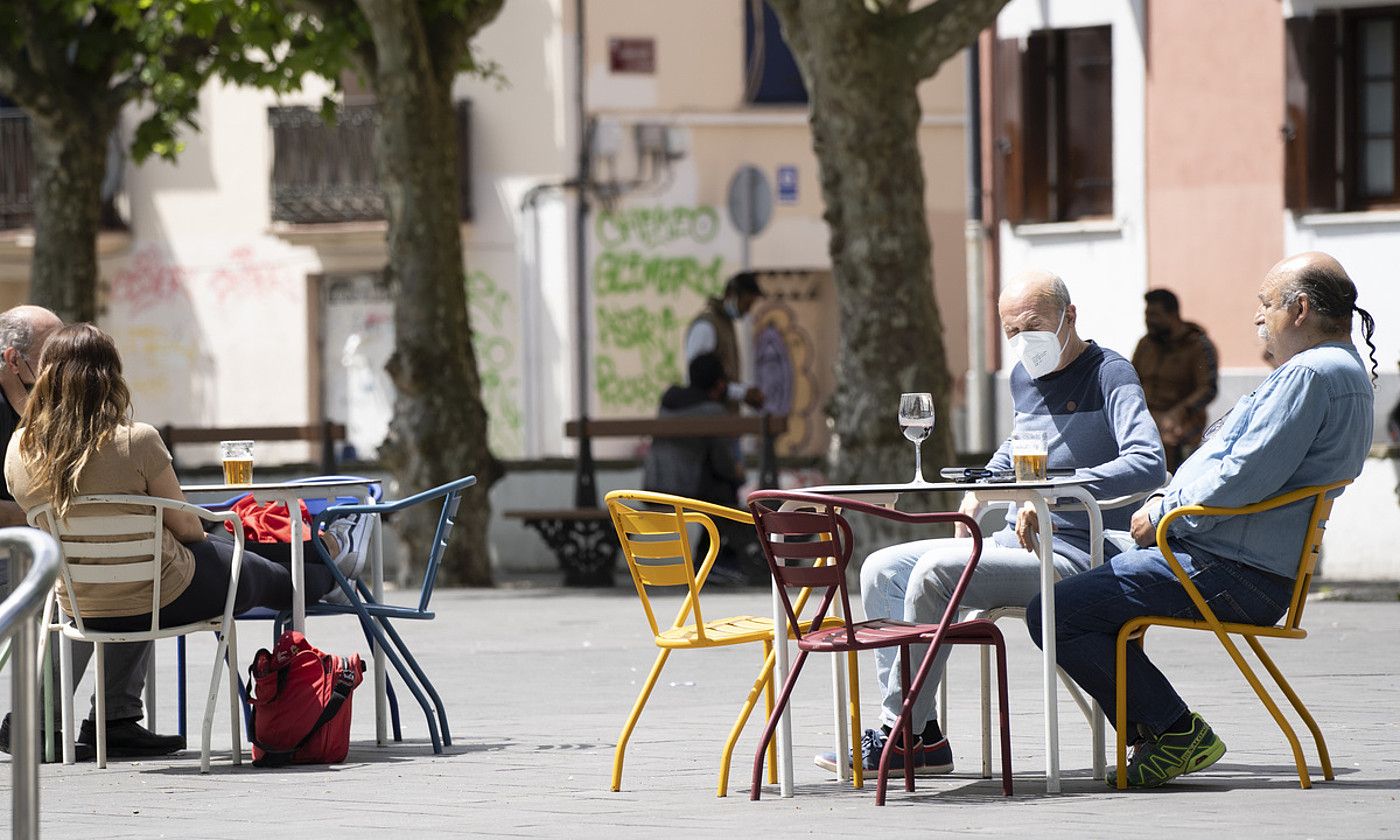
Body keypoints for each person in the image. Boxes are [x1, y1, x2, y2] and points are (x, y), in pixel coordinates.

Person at [1029, 251, 1378, 789]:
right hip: (1240, 562)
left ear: (1301, 308)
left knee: (1053, 612)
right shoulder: (1342, 370)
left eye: (1265, 305)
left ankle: (1172, 731)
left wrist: (1163, 511)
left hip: (1231, 571)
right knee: (1086, 561)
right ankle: (1152, 727)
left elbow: (1245, 471)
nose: (1257, 317)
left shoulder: (1311, 372)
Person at [819, 270, 1166, 776]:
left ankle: (900, 734)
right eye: (1012, 333)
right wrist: (980, 486)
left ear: (1070, 317)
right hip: (1016, 540)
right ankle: (927, 736)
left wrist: (1053, 495)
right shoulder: (1024, 376)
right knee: (880, 568)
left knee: (936, 572)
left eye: (1035, 325)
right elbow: (1019, 445)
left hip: (1081, 550)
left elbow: (1147, 461)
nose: (1025, 342)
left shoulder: (1110, 372)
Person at [3, 324, 369, 756]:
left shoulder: (20, 449)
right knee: (264, 574)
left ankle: (113, 721)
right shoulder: (136, 441)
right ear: (109, 378)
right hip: (163, 591)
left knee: (176, 561)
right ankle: (331, 568)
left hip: (82, 600)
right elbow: (190, 529)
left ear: (47, 377)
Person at [0, 305, 182, 762]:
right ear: (12, 360)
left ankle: (115, 718)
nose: (64, 367)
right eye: (52, 356)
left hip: (50, 544)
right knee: (81, 567)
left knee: (128, 558)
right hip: (15, 556)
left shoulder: (49, 410)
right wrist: (57, 523)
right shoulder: (28, 423)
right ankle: (35, 719)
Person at [642, 353, 759, 584]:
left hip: (653, 486)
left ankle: (708, 561)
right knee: (724, 491)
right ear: (719, 385)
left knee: (717, 490)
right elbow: (723, 463)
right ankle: (712, 561)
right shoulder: (712, 411)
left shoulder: (668, 402)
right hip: (685, 491)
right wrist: (739, 476)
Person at [1132, 289, 1219, 471]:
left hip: (1183, 420)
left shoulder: (1198, 346)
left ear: (1172, 314)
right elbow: (1132, 380)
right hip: (1148, 415)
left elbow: (1208, 389)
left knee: (1166, 440)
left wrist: (1179, 412)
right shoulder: (1145, 344)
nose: (1148, 320)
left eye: (1155, 315)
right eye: (1147, 314)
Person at [685, 272, 765, 412]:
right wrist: (742, 393)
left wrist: (744, 392)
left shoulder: (725, 324)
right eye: (746, 304)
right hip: (708, 416)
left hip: (723, 415)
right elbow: (701, 380)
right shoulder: (706, 326)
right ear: (731, 294)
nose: (747, 311)